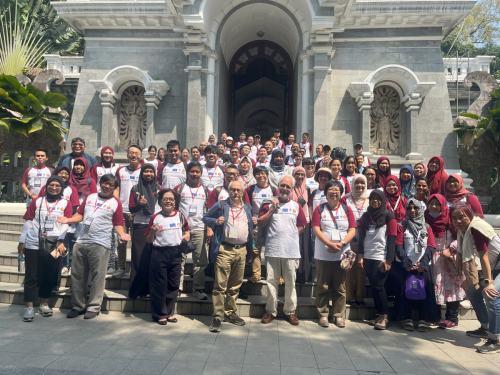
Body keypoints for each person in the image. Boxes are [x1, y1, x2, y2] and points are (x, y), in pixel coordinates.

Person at [57, 174, 131, 319]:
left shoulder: (116, 203)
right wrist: (69, 219)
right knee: (77, 275)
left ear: (114, 187)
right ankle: (78, 306)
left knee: (98, 276)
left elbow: (117, 223)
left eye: (110, 184)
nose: (107, 186)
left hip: (101, 244)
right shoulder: (90, 198)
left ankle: (93, 307)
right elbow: (80, 214)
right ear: (100, 183)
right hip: (82, 242)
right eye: (104, 183)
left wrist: (122, 234)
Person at [19, 175, 72, 322]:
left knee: (48, 275)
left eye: (57, 185)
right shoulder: (38, 201)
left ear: (62, 188)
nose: (54, 188)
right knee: (31, 276)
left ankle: (44, 303)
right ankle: (29, 307)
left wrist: (61, 240)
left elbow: (65, 224)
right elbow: (29, 221)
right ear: (46, 186)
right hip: (33, 242)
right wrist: (22, 241)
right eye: (51, 185)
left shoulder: (65, 203)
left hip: (53, 244)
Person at [204, 180, 254, 332]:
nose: (236, 192)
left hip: (241, 250)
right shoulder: (221, 205)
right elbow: (205, 218)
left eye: (239, 190)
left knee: (235, 284)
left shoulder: (247, 207)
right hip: (225, 249)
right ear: (229, 190)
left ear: (243, 192)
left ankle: (230, 312)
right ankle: (217, 316)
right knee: (220, 285)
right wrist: (215, 221)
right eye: (233, 189)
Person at [258, 175, 307, 325]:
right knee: (271, 281)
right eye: (283, 186)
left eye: (288, 187)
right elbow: (261, 223)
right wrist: (273, 208)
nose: (285, 189)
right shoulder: (268, 204)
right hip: (273, 249)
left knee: (290, 282)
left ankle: (290, 311)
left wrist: (290, 235)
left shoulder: (296, 206)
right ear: (277, 187)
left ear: (292, 190)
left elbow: (302, 226)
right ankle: (271, 311)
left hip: (291, 250)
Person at [452, 202, 500, 347]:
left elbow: (484, 257)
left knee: (491, 295)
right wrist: (470, 279)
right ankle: (485, 327)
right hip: (494, 266)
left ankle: (495, 339)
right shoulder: (463, 231)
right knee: (473, 293)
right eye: (454, 218)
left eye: (462, 216)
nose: (458, 221)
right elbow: (473, 258)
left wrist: (488, 283)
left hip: (497, 265)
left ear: (470, 215)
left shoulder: (476, 228)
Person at [312, 180, 356, 327]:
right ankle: (323, 314)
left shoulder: (346, 209)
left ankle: (338, 315)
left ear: (340, 193)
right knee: (323, 286)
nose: (333, 192)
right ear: (326, 193)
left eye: (337, 189)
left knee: (340, 286)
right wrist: (329, 244)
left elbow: (352, 230)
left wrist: (341, 244)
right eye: (330, 189)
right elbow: (316, 229)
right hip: (323, 253)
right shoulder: (319, 209)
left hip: (342, 254)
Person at [145, 188, 189, 325]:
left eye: (171, 199)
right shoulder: (155, 217)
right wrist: (152, 232)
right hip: (159, 254)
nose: (168, 201)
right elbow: (149, 240)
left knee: (173, 284)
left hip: (175, 253)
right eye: (165, 199)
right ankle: (160, 314)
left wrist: (187, 235)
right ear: (160, 202)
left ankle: (169, 312)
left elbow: (187, 229)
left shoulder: (180, 216)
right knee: (159, 285)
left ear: (175, 202)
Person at [396, 199, 438, 332]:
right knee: (406, 293)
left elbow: (431, 246)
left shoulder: (426, 227)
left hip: (422, 267)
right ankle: (407, 318)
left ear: (420, 210)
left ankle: (423, 319)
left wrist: (423, 263)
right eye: (409, 208)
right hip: (407, 266)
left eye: (416, 208)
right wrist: (407, 263)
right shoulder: (402, 226)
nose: (413, 211)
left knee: (424, 293)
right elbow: (398, 245)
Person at [357, 190, 397, 330]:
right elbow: (362, 236)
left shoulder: (388, 216)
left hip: (381, 256)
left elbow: (392, 238)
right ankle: (378, 312)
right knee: (374, 286)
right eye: (372, 198)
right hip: (368, 256)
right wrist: (360, 255)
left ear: (382, 200)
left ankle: (384, 315)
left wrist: (388, 260)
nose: (375, 201)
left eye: (378, 199)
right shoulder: (365, 216)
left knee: (379, 286)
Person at [424, 194, 464, 329]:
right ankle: (435, 315)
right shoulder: (425, 218)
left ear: (442, 205)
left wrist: (451, 249)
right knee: (435, 286)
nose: (434, 207)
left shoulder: (450, 219)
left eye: (437, 204)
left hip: (448, 257)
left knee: (452, 287)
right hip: (433, 258)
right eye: (431, 204)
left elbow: (462, 236)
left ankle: (452, 318)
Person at [174, 162, 210, 300]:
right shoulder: (180, 188)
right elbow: (174, 207)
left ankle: (198, 288)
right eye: (192, 171)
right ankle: (177, 287)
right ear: (187, 172)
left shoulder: (206, 190)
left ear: (201, 174)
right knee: (179, 259)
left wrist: (209, 229)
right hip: (182, 229)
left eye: (197, 172)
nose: (195, 174)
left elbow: (209, 210)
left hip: (200, 228)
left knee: (200, 261)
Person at [128, 164, 161, 290]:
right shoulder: (135, 189)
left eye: (151, 172)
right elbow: (131, 208)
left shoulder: (158, 188)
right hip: (140, 226)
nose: (148, 174)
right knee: (138, 257)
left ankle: (149, 288)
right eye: (146, 171)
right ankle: (136, 289)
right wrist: (140, 205)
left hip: (155, 226)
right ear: (141, 173)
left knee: (153, 257)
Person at [62, 157, 98, 276]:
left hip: (81, 214)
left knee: (76, 240)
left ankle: (74, 265)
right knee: (64, 239)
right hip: (66, 213)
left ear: (85, 166)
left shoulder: (89, 181)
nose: (78, 167)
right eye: (76, 165)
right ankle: (64, 265)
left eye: (81, 165)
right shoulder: (68, 179)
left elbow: (92, 198)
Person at [113, 145, 142, 278]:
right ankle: (121, 267)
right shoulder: (120, 170)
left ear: (141, 156)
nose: (133, 155)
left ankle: (136, 269)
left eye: (136, 153)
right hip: (122, 211)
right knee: (121, 241)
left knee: (137, 243)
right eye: (131, 153)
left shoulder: (144, 171)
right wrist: (116, 204)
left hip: (138, 212)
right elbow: (116, 188)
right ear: (127, 155)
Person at [341, 174, 369, 307]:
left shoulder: (369, 199)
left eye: (362, 183)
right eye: (356, 183)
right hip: (349, 235)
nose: (359, 185)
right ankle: (349, 296)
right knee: (349, 266)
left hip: (366, 237)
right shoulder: (345, 199)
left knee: (361, 266)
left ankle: (359, 296)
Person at [246, 167, 277, 282]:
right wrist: (252, 219)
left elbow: (277, 206)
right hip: (256, 223)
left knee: (272, 249)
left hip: (270, 223)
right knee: (255, 250)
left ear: (267, 175)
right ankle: (256, 274)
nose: (261, 176)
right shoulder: (250, 189)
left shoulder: (273, 189)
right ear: (254, 176)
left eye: (263, 173)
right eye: (258, 174)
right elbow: (247, 206)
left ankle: (275, 274)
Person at [292, 167, 312, 284]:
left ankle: (304, 276)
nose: (300, 177)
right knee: (294, 248)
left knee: (304, 250)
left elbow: (309, 206)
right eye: (297, 174)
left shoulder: (307, 190)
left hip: (305, 223)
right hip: (292, 223)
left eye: (302, 174)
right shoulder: (290, 189)